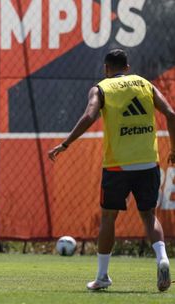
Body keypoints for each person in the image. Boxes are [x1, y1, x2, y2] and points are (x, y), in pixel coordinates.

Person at [48, 49, 174, 292]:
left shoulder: (101, 88)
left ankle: (102, 276)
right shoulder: (145, 84)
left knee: (108, 217)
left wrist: (65, 144)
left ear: (106, 68)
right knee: (149, 215)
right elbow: (171, 114)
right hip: (148, 162)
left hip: (117, 165)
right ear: (127, 67)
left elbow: (89, 115)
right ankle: (163, 259)